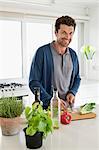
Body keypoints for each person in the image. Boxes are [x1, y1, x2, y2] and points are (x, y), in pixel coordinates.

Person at [29, 16, 81, 109]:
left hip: (67, 108)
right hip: (47, 108)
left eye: (70, 33)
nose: (68, 37)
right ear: (56, 33)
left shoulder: (73, 55)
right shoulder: (42, 52)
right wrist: (51, 100)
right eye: (64, 33)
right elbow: (34, 82)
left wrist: (72, 92)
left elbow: (77, 78)